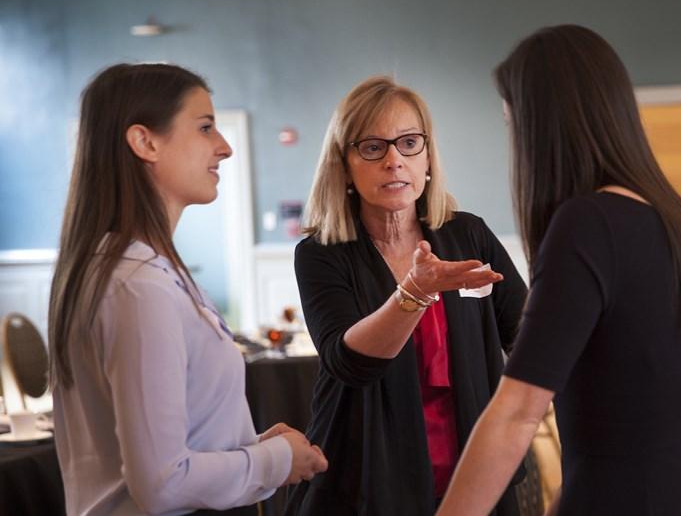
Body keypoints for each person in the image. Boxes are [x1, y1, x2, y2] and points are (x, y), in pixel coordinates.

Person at [437, 25, 681, 516]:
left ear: (542, 128)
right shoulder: (677, 218)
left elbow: (515, 415)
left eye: (513, 125)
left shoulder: (587, 223)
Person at [48, 63, 327, 516]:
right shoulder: (136, 286)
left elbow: (166, 449)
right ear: (145, 142)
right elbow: (163, 484)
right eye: (204, 127)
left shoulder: (141, 271)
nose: (225, 147)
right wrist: (275, 460)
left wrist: (250, 448)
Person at [285, 76, 527, 515]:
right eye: (373, 147)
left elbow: (527, 336)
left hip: (474, 472)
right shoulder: (321, 255)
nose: (395, 160)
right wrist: (414, 292)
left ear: (428, 156)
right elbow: (348, 363)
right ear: (345, 166)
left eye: (409, 142)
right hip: (366, 477)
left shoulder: (467, 233)